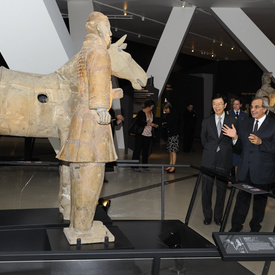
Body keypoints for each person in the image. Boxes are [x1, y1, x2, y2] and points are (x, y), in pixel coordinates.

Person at [56, 12, 119, 244]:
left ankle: (76, 223)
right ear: (99, 28)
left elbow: (76, 82)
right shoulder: (100, 51)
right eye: (108, 27)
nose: (110, 33)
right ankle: (83, 230)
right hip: (93, 123)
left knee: (79, 172)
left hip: (79, 120)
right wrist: (103, 106)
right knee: (92, 173)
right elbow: (99, 79)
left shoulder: (83, 51)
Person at [222, 97, 275, 232]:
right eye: (251, 106)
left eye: (256, 107)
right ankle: (235, 228)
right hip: (245, 171)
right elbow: (240, 147)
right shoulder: (246, 123)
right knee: (241, 202)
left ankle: (255, 229)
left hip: (263, 173)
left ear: (265, 109)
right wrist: (235, 138)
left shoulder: (273, 125)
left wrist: (261, 142)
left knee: (259, 205)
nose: (252, 109)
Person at [201, 93, 237, 226]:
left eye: (220, 103)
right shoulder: (206, 121)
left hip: (224, 160)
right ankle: (207, 216)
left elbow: (236, 142)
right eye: (214, 103)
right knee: (206, 190)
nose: (217, 106)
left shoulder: (232, 121)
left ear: (225, 105)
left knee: (221, 191)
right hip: (208, 159)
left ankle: (218, 217)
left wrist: (234, 138)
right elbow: (203, 140)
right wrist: (212, 150)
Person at [132, 99, 159, 172]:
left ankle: (145, 166)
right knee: (137, 150)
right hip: (141, 134)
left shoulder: (152, 113)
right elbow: (139, 122)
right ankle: (135, 166)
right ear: (147, 106)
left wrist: (155, 125)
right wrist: (149, 124)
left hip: (148, 134)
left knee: (146, 151)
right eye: (150, 107)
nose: (151, 108)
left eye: (152, 107)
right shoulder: (141, 112)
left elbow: (153, 121)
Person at [228, 98, 248, 179]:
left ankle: (237, 179)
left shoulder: (245, 115)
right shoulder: (228, 113)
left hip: (240, 141)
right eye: (234, 104)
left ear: (240, 105)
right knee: (229, 160)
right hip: (230, 140)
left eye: (237, 104)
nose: (235, 106)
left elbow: (246, 127)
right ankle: (229, 179)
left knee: (237, 161)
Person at [162, 102, 180, 173]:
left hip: (174, 134)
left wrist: (165, 124)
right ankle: (170, 164)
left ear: (167, 108)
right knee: (170, 150)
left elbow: (172, 123)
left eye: (164, 109)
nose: (164, 111)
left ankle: (173, 167)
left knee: (173, 151)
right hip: (171, 134)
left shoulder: (174, 114)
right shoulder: (170, 114)